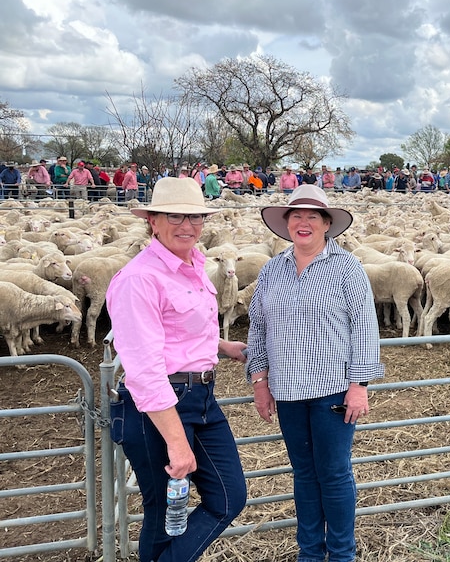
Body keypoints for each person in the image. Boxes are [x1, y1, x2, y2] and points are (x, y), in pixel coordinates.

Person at [105, 177, 248, 562]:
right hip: (159, 405)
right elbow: (144, 366)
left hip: (200, 397)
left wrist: (220, 345)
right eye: (175, 216)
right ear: (152, 220)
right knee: (163, 510)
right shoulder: (139, 278)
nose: (187, 226)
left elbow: (175, 328)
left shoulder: (194, 264)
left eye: (195, 218)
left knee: (230, 495)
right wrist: (177, 442)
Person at [247, 184, 383, 562]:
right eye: (296, 216)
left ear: (327, 224)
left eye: (312, 217)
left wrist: (359, 385)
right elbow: (257, 327)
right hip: (287, 389)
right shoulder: (272, 270)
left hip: (332, 390)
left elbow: (365, 329)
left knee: (335, 472)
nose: (302, 223)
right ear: (286, 224)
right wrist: (260, 380)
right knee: (304, 473)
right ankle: (309, 552)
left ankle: (341, 553)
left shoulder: (347, 268)